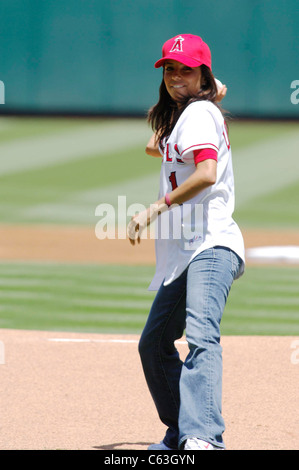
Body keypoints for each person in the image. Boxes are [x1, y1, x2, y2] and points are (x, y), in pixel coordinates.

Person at [127, 34, 245, 451]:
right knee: (155, 344)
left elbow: (207, 173)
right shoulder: (190, 115)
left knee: (200, 334)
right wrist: (200, 96)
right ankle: (181, 432)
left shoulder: (197, 115)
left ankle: (204, 437)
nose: (176, 76)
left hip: (212, 244)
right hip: (186, 252)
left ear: (203, 73)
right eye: (170, 70)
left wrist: (155, 207)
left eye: (186, 69)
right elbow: (150, 146)